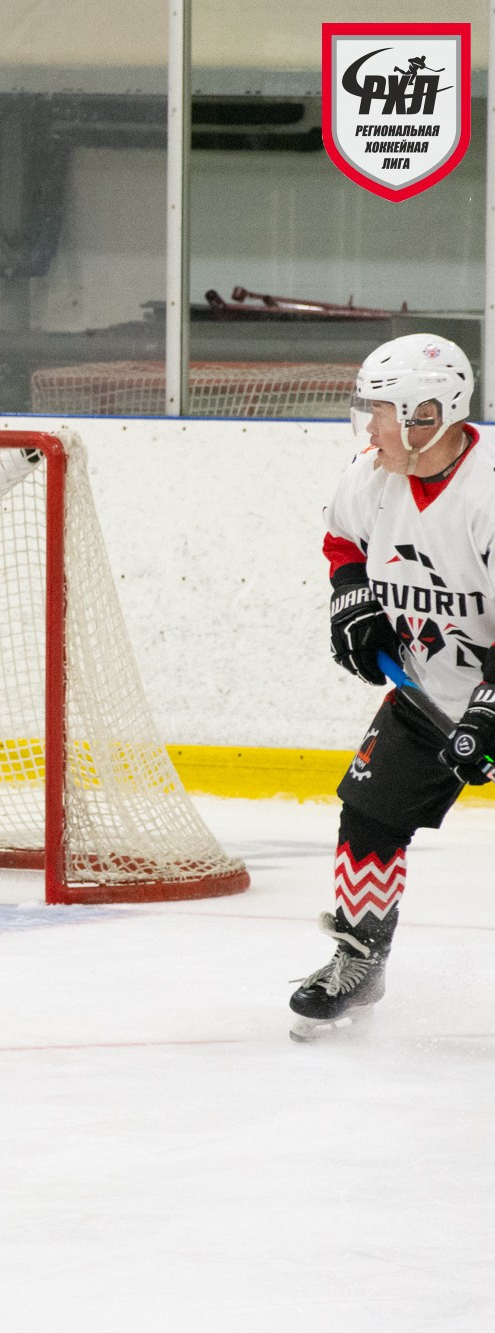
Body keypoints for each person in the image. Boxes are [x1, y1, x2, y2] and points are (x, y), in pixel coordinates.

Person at [295, 332, 493, 1039]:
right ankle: (359, 961)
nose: (369, 427)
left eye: (380, 411)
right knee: (370, 815)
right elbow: (342, 540)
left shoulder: (488, 493)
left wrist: (489, 711)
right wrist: (352, 597)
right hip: (427, 690)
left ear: (426, 415)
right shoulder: (370, 476)